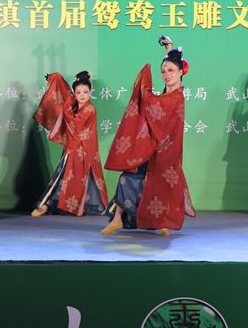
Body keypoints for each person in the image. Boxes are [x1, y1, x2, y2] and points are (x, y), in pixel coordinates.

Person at [101, 36, 196, 235]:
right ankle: (118, 219)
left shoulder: (176, 96)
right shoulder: (168, 92)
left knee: (159, 184)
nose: (166, 75)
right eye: (163, 71)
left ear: (181, 72)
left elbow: (154, 105)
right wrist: (169, 48)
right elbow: (160, 97)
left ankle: (161, 222)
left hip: (165, 150)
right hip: (154, 146)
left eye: (171, 71)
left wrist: (144, 87)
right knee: (129, 176)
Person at [31, 70, 109, 217]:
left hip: (85, 149)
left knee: (84, 179)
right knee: (63, 176)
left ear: (90, 92)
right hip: (73, 147)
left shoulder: (90, 109)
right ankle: (46, 205)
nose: (82, 95)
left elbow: (75, 123)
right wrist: (56, 78)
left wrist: (66, 106)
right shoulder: (74, 106)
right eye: (78, 92)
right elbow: (64, 89)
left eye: (85, 92)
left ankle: (72, 206)